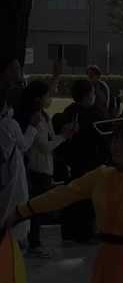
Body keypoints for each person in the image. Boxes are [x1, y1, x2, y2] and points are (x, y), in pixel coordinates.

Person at [5, 122, 123, 283]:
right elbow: (63, 194)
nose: (116, 145)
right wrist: (22, 211)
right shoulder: (102, 175)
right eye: (115, 139)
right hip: (108, 262)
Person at [15, 80, 75, 257]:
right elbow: (44, 146)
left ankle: (34, 243)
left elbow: (48, 142)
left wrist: (62, 135)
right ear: (37, 98)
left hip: (44, 168)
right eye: (47, 94)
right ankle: (34, 244)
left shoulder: (42, 115)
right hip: (38, 169)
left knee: (38, 208)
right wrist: (63, 137)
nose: (50, 97)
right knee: (36, 208)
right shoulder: (34, 118)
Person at [60, 79, 108, 243]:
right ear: (88, 95)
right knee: (88, 199)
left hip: (74, 162)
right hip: (91, 162)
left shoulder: (69, 111)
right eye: (93, 93)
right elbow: (104, 138)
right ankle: (86, 233)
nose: (95, 96)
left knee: (74, 196)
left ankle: (70, 232)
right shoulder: (96, 113)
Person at [0, 88, 39, 246]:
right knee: (16, 207)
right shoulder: (9, 124)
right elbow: (23, 145)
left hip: (5, 173)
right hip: (13, 172)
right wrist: (33, 127)